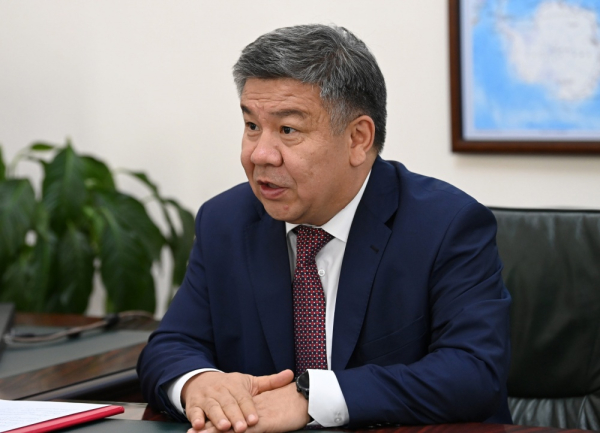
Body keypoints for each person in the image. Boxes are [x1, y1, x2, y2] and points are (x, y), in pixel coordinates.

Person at [137, 24, 512, 433]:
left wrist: (313, 398)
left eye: (288, 130)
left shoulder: (445, 225)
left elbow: (474, 373)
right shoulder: (225, 220)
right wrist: (200, 384)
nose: (260, 154)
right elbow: (171, 346)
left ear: (358, 139)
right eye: (251, 126)